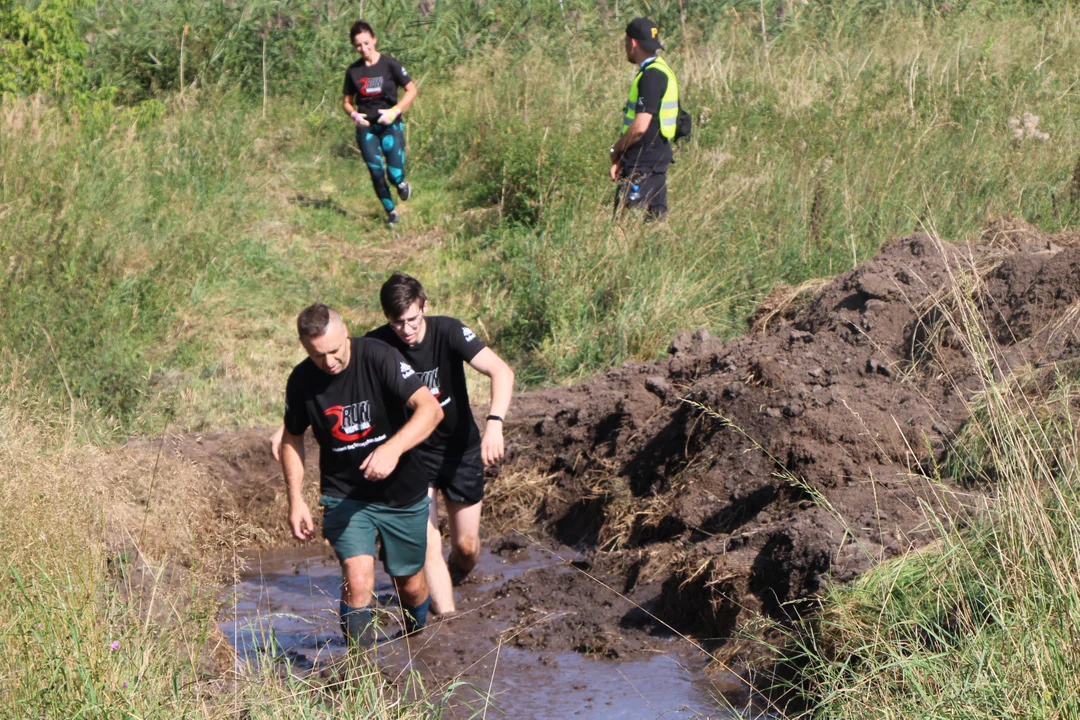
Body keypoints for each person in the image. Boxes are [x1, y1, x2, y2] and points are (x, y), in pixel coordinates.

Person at [279, 303, 443, 649]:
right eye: (317, 354)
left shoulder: (379, 356)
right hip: (345, 494)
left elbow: (430, 410)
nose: (329, 362)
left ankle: (416, 643)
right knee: (357, 580)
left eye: (335, 351)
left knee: (409, 583)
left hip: (402, 492)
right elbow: (292, 437)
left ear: (346, 332)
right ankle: (360, 671)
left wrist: (392, 449)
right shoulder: (301, 381)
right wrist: (296, 498)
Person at [366, 273, 514, 616]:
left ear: (425, 307)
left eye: (413, 320)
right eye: (397, 322)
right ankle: (447, 620)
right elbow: (340, 375)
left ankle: (457, 572)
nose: (406, 329)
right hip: (415, 455)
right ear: (387, 318)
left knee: (466, 547)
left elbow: (501, 371)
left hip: (459, 449)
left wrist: (494, 424)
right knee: (429, 544)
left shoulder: (448, 331)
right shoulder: (378, 345)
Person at [342, 20, 418, 226]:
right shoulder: (353, 71)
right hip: (367, 129)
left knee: (393, 175)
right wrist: (354, 115)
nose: (364, 48)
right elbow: (347, 102)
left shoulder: (390, 64)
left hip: (390, 125)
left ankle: (401, 183)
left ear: (374, 39)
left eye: (367, 43)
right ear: (354, 46)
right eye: (358, 45)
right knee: (376, 172)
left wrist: (395, 111)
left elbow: (412, 90)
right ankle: (391, 213)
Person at [608, 17, 679, 220]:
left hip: (643, 162)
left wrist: (616, 149)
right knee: (656, 223)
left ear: (633, 43)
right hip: (656, 157)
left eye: (625, 42)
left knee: (623, 225)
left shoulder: (651, 76)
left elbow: (640, 126)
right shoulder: (662, 69)